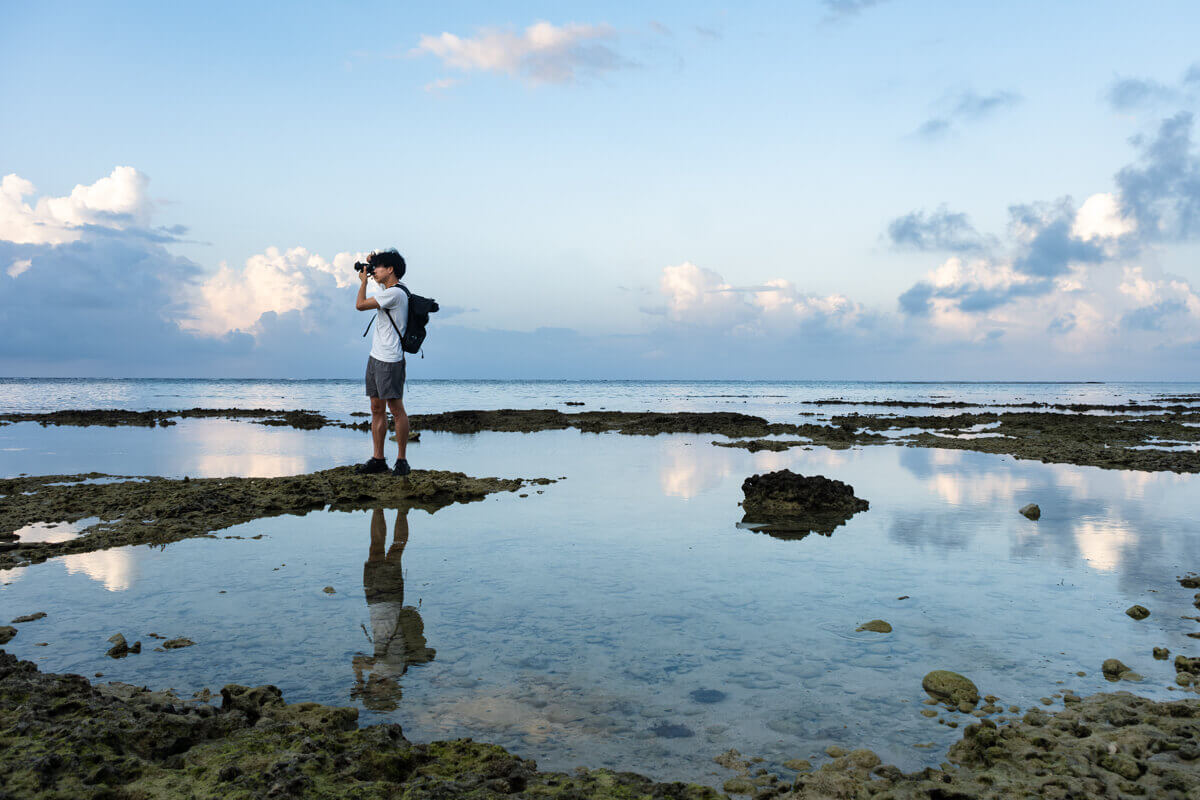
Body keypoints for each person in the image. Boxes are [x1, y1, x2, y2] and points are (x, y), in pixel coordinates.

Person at [351, 507, 435, 711]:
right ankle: (397, 510)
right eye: (374, 693)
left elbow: (358, 660)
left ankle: (384, 508)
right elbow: (357, 662)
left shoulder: (396, 671)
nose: (372, 689)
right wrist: (360, 683)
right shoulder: (389, 670)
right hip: (383, 601)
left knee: (382, 549)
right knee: (391, 549)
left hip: (380, 602)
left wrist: (363, 682)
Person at [354, 249, 411, 476]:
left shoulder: (395, 294)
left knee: (396, 410)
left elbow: (360, 305)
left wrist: (362, 283)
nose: (374, 272)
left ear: (391, 270)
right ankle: (378, 459)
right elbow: (379, 283)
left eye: (379, 267)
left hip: (390, 360)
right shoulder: (389, 291)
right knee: (376, 409)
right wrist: (371, 263)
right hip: (376, 357)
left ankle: (401, 460)